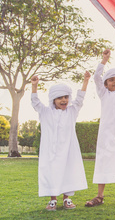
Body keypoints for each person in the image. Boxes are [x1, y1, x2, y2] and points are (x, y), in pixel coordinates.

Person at [31, 71, 91, 211]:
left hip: (69, 150)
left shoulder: (72, 111)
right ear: (53, 100)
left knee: (68, 172)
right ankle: (53, 200)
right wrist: (34, 86)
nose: (64, 100)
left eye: (66, 97)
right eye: (60, 98)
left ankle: (67, 199)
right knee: (52, 172)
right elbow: (35, 102)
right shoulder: (45, 112)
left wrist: (85, 81)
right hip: (50, 151)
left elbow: (80, 99)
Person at [85, 46, 115, 208]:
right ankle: (100, 196)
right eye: (111, 79)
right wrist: (104, 60)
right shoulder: (103, 93)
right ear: (106, 84)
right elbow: (97, 77)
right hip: (106, 136)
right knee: (103, 161)